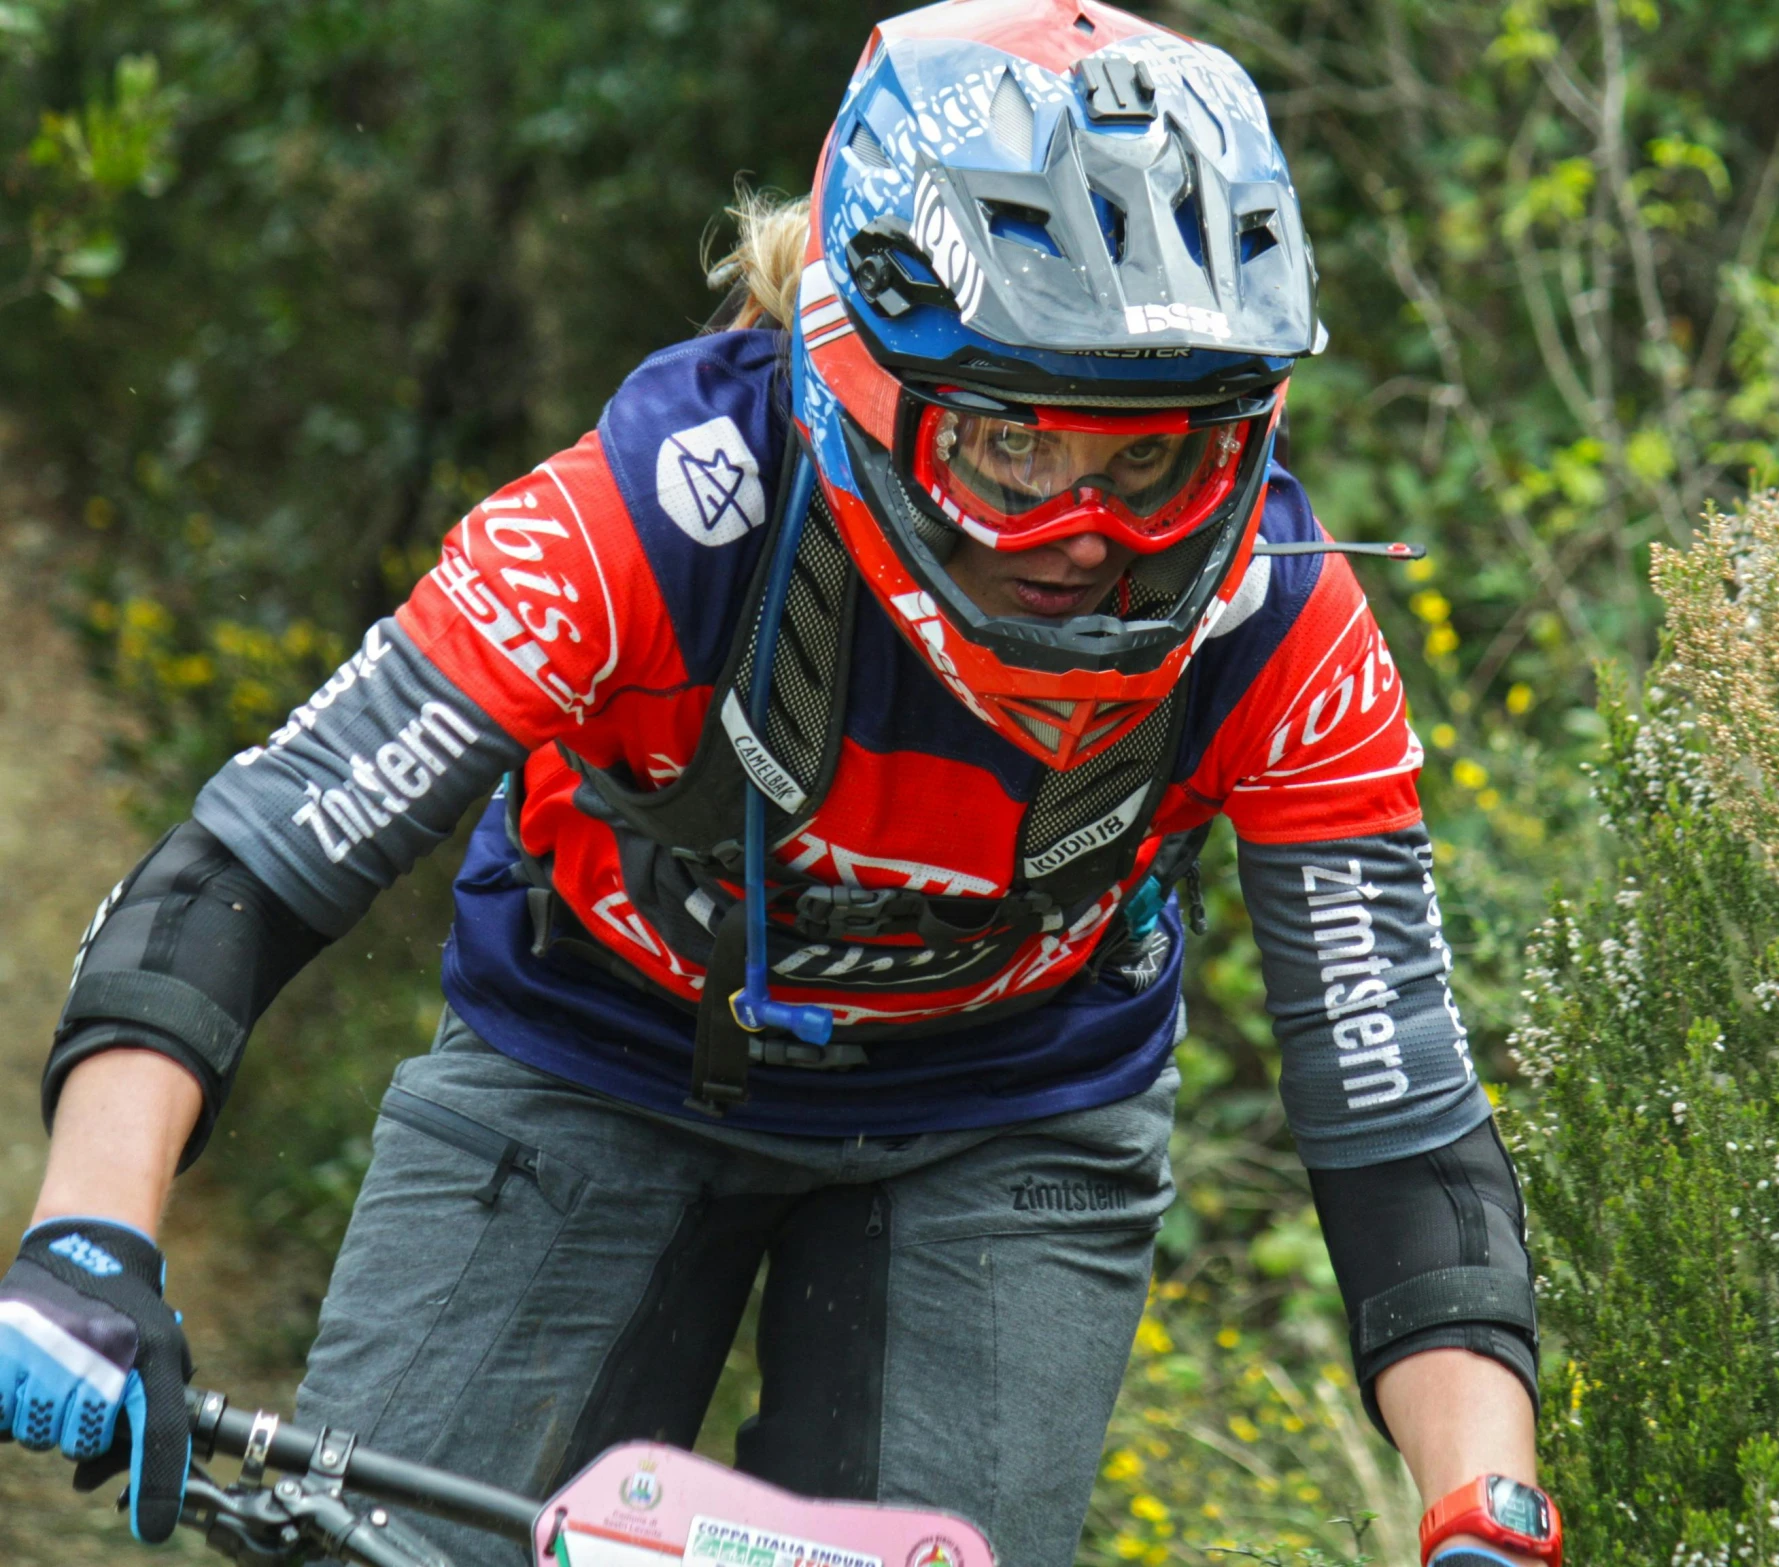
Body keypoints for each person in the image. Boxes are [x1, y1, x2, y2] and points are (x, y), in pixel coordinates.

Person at [0, 4, 1554, 1565]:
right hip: (590, 1050)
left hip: (1010, 1113)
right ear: (866, 380)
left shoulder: (1284, 623)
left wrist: (1480, 1503)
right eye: (1015, 447)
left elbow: (1393, 1104)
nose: (1090, 536)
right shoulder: (646, 517)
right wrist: (84, 1239)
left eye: (1152, 461)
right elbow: (253, 862)